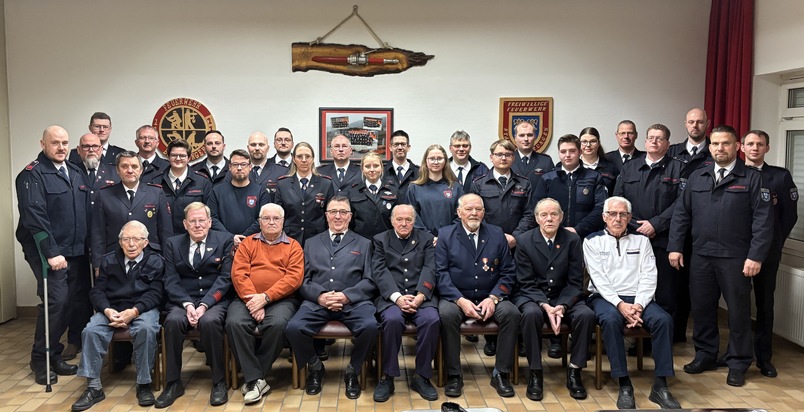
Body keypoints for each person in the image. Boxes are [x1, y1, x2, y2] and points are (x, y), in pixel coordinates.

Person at [668, 125, 772, 387]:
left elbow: (763, 220)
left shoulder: (751, 178)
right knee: (702, 309)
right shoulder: (698, 176)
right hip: (701, 256)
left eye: (725, 143)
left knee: (738, 313)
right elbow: (682, 214)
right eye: (715, 144)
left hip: (736, 258)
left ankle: (738, 362)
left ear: (736, 146)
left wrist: (756, 256)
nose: (719, 148)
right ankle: (705, 355)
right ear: (710, 146)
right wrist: (675, 246)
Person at [585, 196, 681, 410]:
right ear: (604, 217)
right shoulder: (591, 241)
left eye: (622, 214)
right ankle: (624, 383)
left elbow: (649, 275)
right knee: (610, 321)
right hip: (605, 298)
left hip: (639, 299)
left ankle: (661, 385)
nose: (617, 218)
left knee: (664, 320)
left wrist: (638, 305)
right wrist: (620, 305)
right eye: (612, 214)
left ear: (629, 217)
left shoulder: (642, 240)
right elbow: (598, 278)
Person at [285, 196, 378, 399]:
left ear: (350, 216)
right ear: (326, 216)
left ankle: (353, 370)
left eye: (343, 212)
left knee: (371, 327)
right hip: (318, 302)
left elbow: (370, 281)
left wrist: (346, 296)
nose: (338, 216)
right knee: (293, 328)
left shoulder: (364, 243)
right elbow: (303, 280)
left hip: (354, 303)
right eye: (333, 212)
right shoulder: (310, 243)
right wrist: (319, 296)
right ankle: (316, 367)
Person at [15, 125, 87, 385]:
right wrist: (52, 253)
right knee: (55, 302)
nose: (61, 147)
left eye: (65, 142)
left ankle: (54, 354)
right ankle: (40, 359)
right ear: (43, 144)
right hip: (49, 252)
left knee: (69, 303)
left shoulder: (75, 172)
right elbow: (35, 219)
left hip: (75, 250)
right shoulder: (32, 175)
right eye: (55, 143)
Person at [71, 221, 164, 411]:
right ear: (120, 241)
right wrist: (106, 310)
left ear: (145, 242)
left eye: (136, 239)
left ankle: (144, 384)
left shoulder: (156, 261)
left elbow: (156, 293)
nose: (131, 244)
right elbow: (97, 292)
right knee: (91, 330)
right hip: (112, 309)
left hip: (142, 309)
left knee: (146, 329)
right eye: (126, 239)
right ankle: (94, 387)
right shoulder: (108, 260)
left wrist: (134, 311)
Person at [436, 194, 518, 398]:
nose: (474, 213)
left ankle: (501, 373)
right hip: (457, 297)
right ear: (459, 212)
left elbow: (508, 272)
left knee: (512, 313)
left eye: (478, 209)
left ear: (484, 212)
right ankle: (454, 374)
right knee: (446, 315)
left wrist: (494, 298)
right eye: (469, 209)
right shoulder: (446, 234)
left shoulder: (497, 234)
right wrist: (460, 300)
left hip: (489, 296)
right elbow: (440, 273)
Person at [513, 198, 594, 401]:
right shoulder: (524, 240)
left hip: (564, 295)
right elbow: (525, 282)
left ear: (561, 217)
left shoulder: (572, 240)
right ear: (537, 218)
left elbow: (576, 281)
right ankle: (535, 372)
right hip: (533, 295)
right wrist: (546, 306)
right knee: (530, 314)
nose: (549, 219)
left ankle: (575, 371)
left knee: (586, 315)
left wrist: (562, 305)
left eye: (554, 214)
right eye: (544, 215)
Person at [157, 202, 234, 408]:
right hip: (183, 300)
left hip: (214, 299)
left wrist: (204, 305)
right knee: (172, 322)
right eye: (193, 221)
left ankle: (219, 381)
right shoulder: (173, 244)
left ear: (210, 222)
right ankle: (173, 383)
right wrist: (188, 304)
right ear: (185, 223)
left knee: (209, 322)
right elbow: (170, 280)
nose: (198, 225)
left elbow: (225, 278)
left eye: (202, 220)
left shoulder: (224, 240)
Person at [226, 203, 303, 404]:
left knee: (277, 325)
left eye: (275, 218)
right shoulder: (247, 244)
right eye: (266, 218)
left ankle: (253, 378)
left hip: (281, 300)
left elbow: (293, 278)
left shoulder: (293, 246)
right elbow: (238, 274)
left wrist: (266, 297)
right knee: (234, 323)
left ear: (283, 221)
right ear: (259, 222)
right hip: (247, 298)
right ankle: (257, 378)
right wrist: (254, 299)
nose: (271, 222)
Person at [739, 129, 798, 377]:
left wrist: (773, 243)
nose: (754, 148)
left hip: (767, 254)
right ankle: (736, 354)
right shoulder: (734, 174)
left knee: (765, 305)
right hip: (738, 251)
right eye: (750, 144)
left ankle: (764, 358)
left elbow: (789, 216)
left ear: (767, 148)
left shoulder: (780, 177)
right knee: (738, 305)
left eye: (760, 144)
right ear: (742, 147)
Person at [613, 124, 683, 326]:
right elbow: (619, 200)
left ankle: (661, 340)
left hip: (664, 241)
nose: (654, 141)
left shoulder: (678, 168)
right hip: (633, 239)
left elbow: (681, 204)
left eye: (659, 138)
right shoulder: (630, 167)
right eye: (651, 137)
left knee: (665, 292)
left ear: (667, 144)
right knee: (634, 290)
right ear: (644, 141)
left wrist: (655, 224)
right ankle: (637, 339)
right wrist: (636, 225)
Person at [371, 204, 439, 402]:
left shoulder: (426, 239)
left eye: (408, 219)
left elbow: (430, 268)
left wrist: (420, 296)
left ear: (414, 221)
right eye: (399, 219)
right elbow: (379, 271)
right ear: (392, 221)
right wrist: (397, 298)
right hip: (392, 298)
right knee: (392, 321)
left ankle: (422, 376)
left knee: (432, 320)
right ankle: (388, 377)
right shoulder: (380, 240)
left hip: (421, 297)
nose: (404, 223)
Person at [63, 132, 119, 361]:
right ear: (78, 149)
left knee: (110, 289)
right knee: (77, 292)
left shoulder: (113, 172)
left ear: (101, 148)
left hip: (108, 242)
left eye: (95, 146)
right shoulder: (72, 173)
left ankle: (115, 342)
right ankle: (75, 339)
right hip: (76, 241)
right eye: (85, 147)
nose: (91, 150)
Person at [666, 107, 714, 341]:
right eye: (691, 122)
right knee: (672, 287)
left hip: (702, 231)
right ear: (685, 124)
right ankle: (674, 335)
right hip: (674, 230)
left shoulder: (714, 154)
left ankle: (693, 338)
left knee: (695, 290)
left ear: (707, 124)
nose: (695, 126)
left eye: (700, 122)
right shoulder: (672, 152)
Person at [91, 151, 173, 270]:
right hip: (114, 259)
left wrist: (168, 262)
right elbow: (98, 233)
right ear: (117, 170)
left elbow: (165, 231)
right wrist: (98, 265)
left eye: (134, 166)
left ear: (141, 170)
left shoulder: (156, 193)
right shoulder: (104, 195)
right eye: (124, 166)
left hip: (151, 258)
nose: (130, 170)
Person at [515, 134, 607, 239]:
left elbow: (601, 208)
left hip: (587, 237)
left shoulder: (594, 177)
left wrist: (578, 230)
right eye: (563, 151)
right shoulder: (547, 179)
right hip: (553, 237)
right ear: (559, 153)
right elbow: (535, 210)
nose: (567, 155)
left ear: (580, 152)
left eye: (572, 151)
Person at [471, 139, 533, 249]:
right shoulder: (479, 184)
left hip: (517, 243)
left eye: (508, 155)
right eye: (499, 154)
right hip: (486, 241)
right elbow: (474, 214)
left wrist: (515, 237)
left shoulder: (524, 183)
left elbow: (529, 213)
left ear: (513, 158)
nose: (503, 158)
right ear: (491, 157)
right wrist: (492, 236)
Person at [274, 142, 335, 245]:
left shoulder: (325, 183)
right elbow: (277, 215)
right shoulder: (283, 184)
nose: (303, 160)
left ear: (312, 159)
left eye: (307, 156)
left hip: (318, 239)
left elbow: (330, 214)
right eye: (299, 156)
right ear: (293, 159)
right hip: (289, 239)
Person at [207, 149, 270, 247]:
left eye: (243, 164)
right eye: (235, 164)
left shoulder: (260, 192)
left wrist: (243, 237)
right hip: (223, 243)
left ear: (250, 167)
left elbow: (263, 219)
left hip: (253, 244)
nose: (239, 168)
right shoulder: (217, 191)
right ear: (230, 167)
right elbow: (212, 218)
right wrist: (230, 237)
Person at [151, 139, 212, 234]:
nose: (178, 158)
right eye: (174, 155)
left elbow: (209, 213)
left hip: (193, 237)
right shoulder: (156, 181)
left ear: (189, 158)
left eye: (182, 155)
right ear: (168, 157)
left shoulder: (202, 181)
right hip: (165, 238)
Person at [406, 144, 464, 237]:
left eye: (440, 158)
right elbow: (412, 216)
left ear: (445, 161)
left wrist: (445, 236)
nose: (436, 162)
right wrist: (428, 236)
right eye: (432, 158)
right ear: (426, 161)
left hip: (450, 239)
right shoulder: (414, 188)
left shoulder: (455, 187)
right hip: (423, 241)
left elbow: (461, 215)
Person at [347, 152, 399, 240]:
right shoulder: (353, 191)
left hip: (387, 242)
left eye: (376, 166)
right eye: (367, 166)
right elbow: (349, 222)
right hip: (361, 242)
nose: (372, 169)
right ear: (362, 169)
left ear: (382, 168)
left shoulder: (393, 191)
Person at [510, 120, 554, 189]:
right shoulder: (508, 160)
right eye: (521, 135)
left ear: (535, 137)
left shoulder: (546, 161)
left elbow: (552, 188)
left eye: (529, 135)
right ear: (515, 138)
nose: (526, 139)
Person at [578, 127, 618, 194]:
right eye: (584, 141)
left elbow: (616, 194)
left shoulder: (611, 168)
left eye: (593, 141)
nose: (588, 145)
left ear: (599, 143)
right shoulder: (574, 167)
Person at [383, 130, 420, 201]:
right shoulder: (382, 171)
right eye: (396, 144)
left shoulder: (419, 172)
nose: (400, 147)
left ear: (408, 147)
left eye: (403, 144)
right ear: (390, 147)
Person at [262, 128, 295, 194]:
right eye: (279, 140)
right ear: (274, 144)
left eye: (287, 140)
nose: (283, 143)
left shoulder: (298, 165)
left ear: (292, 144)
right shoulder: (265, 165)